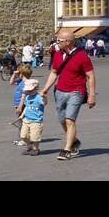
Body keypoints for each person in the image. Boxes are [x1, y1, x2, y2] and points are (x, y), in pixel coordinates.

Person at [41, 28, 95, 161]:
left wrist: (92, 95)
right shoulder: (58, 55)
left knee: (70, 120)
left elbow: (91, 76)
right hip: (60, 91)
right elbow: (54, 73)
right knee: (62, 120)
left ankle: (67, 149)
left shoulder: (82, 56)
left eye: (59, 41)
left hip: (76, 91)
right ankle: (74, 141)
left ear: (68, 41)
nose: (56, 43)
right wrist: (45, 89)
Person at [19, 77, 45, 156]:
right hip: (26, 119)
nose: (29, 92)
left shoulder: (38, 97)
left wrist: (45, 97)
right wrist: (22, 115)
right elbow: (26, 107)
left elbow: (44, 103)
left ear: (36, 88)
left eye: (30, 90)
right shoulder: (27, 97)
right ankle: (29, 146)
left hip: (36, 121)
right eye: (27, 90)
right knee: (23, 136)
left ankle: (36, 149)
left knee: (35, 137)